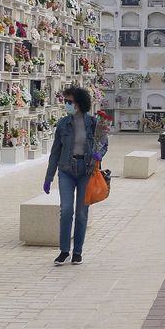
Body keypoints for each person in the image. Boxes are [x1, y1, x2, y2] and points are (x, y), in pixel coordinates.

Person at [44, 86, 107, 265]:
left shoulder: (94, 123)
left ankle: (77, 251)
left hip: (86, 171)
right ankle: (64, 250)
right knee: (66, 210)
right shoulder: (63, 124)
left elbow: (104, 143)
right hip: (66, 170)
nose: (67, 105)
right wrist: (48, 177)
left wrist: (99, 154)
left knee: (81, 212)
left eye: (70, 102)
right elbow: (55, 152)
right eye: (66, 101)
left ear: (79, 103)